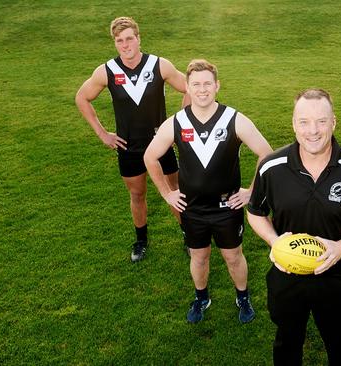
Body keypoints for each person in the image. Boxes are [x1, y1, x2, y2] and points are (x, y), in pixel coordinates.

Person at [247, 89, 341, 365]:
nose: (313, 130)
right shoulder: (271, 168)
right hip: (286, 275)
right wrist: (275, 242)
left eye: (321, 121)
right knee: (287, 342)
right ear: (293, 124)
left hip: (336, 276)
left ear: (333, 123)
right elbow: (255, 212)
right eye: (304, 121)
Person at [144, 59, 272, 324]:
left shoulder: (233, 119)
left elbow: (266, 154)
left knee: (233, 256)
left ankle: (243, 296)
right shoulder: (176, 123)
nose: (202, 89)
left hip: (227, 207)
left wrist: (251, 191)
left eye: (207, 84)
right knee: (199, 257)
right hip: (193, 209)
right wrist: (168, 193)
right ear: (188, 88)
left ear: (217, 86)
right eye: (195, 84)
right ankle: (202, 297)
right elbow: (150, 157)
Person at [75, 17, 189, 262]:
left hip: (161, 145)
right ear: (115, 43)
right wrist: (102, 133)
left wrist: (179, 123)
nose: (125, 45)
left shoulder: (159, 65)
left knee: (174, 190)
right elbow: (82, 98)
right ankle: (141, 240)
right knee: (138, 195)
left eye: (129, 39)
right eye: (119, 41)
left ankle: (188, 235)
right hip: (129, 147)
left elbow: (190, 87)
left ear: (138, 38)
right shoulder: (107, 71)